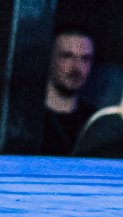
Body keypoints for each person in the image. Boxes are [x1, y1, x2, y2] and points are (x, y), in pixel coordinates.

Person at [34, 26, 98, 156]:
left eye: (85, 59)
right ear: (49, 58)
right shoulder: (25, 119)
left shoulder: (95, 123)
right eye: (67, 56)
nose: (77, 67)